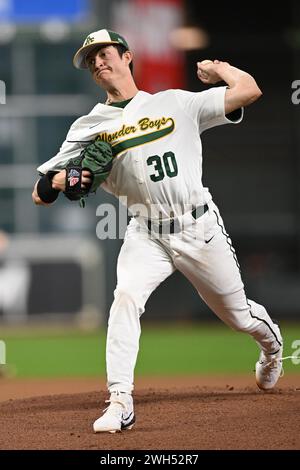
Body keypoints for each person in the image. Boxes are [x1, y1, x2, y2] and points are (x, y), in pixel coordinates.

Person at [32, 29, 283, 433]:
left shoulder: (175, 102)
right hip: (145, 232)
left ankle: (271, 349)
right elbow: (41, 192)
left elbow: (249, 91)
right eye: (90, 59)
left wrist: (219, 68)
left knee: (238, 315)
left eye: (104, 53)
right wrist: (67, 179)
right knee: (125, 299)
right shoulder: (89, 126)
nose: (98, 62)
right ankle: (119, 400)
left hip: (197, 225)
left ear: (127, 56)